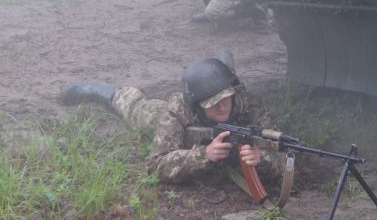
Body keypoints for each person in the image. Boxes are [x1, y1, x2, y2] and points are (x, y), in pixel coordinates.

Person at [60, 54, 284, 187]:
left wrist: (261, 158)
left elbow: (284, 158)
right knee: (141, 111)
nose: (223, 105)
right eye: (212, 103)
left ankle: (221, 64)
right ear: (197, 104)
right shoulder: (179, 112)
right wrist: (203, 155)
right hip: (165, 118)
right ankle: (107, 92)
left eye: (226, 97)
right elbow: (156, 165)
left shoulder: (250, 105)